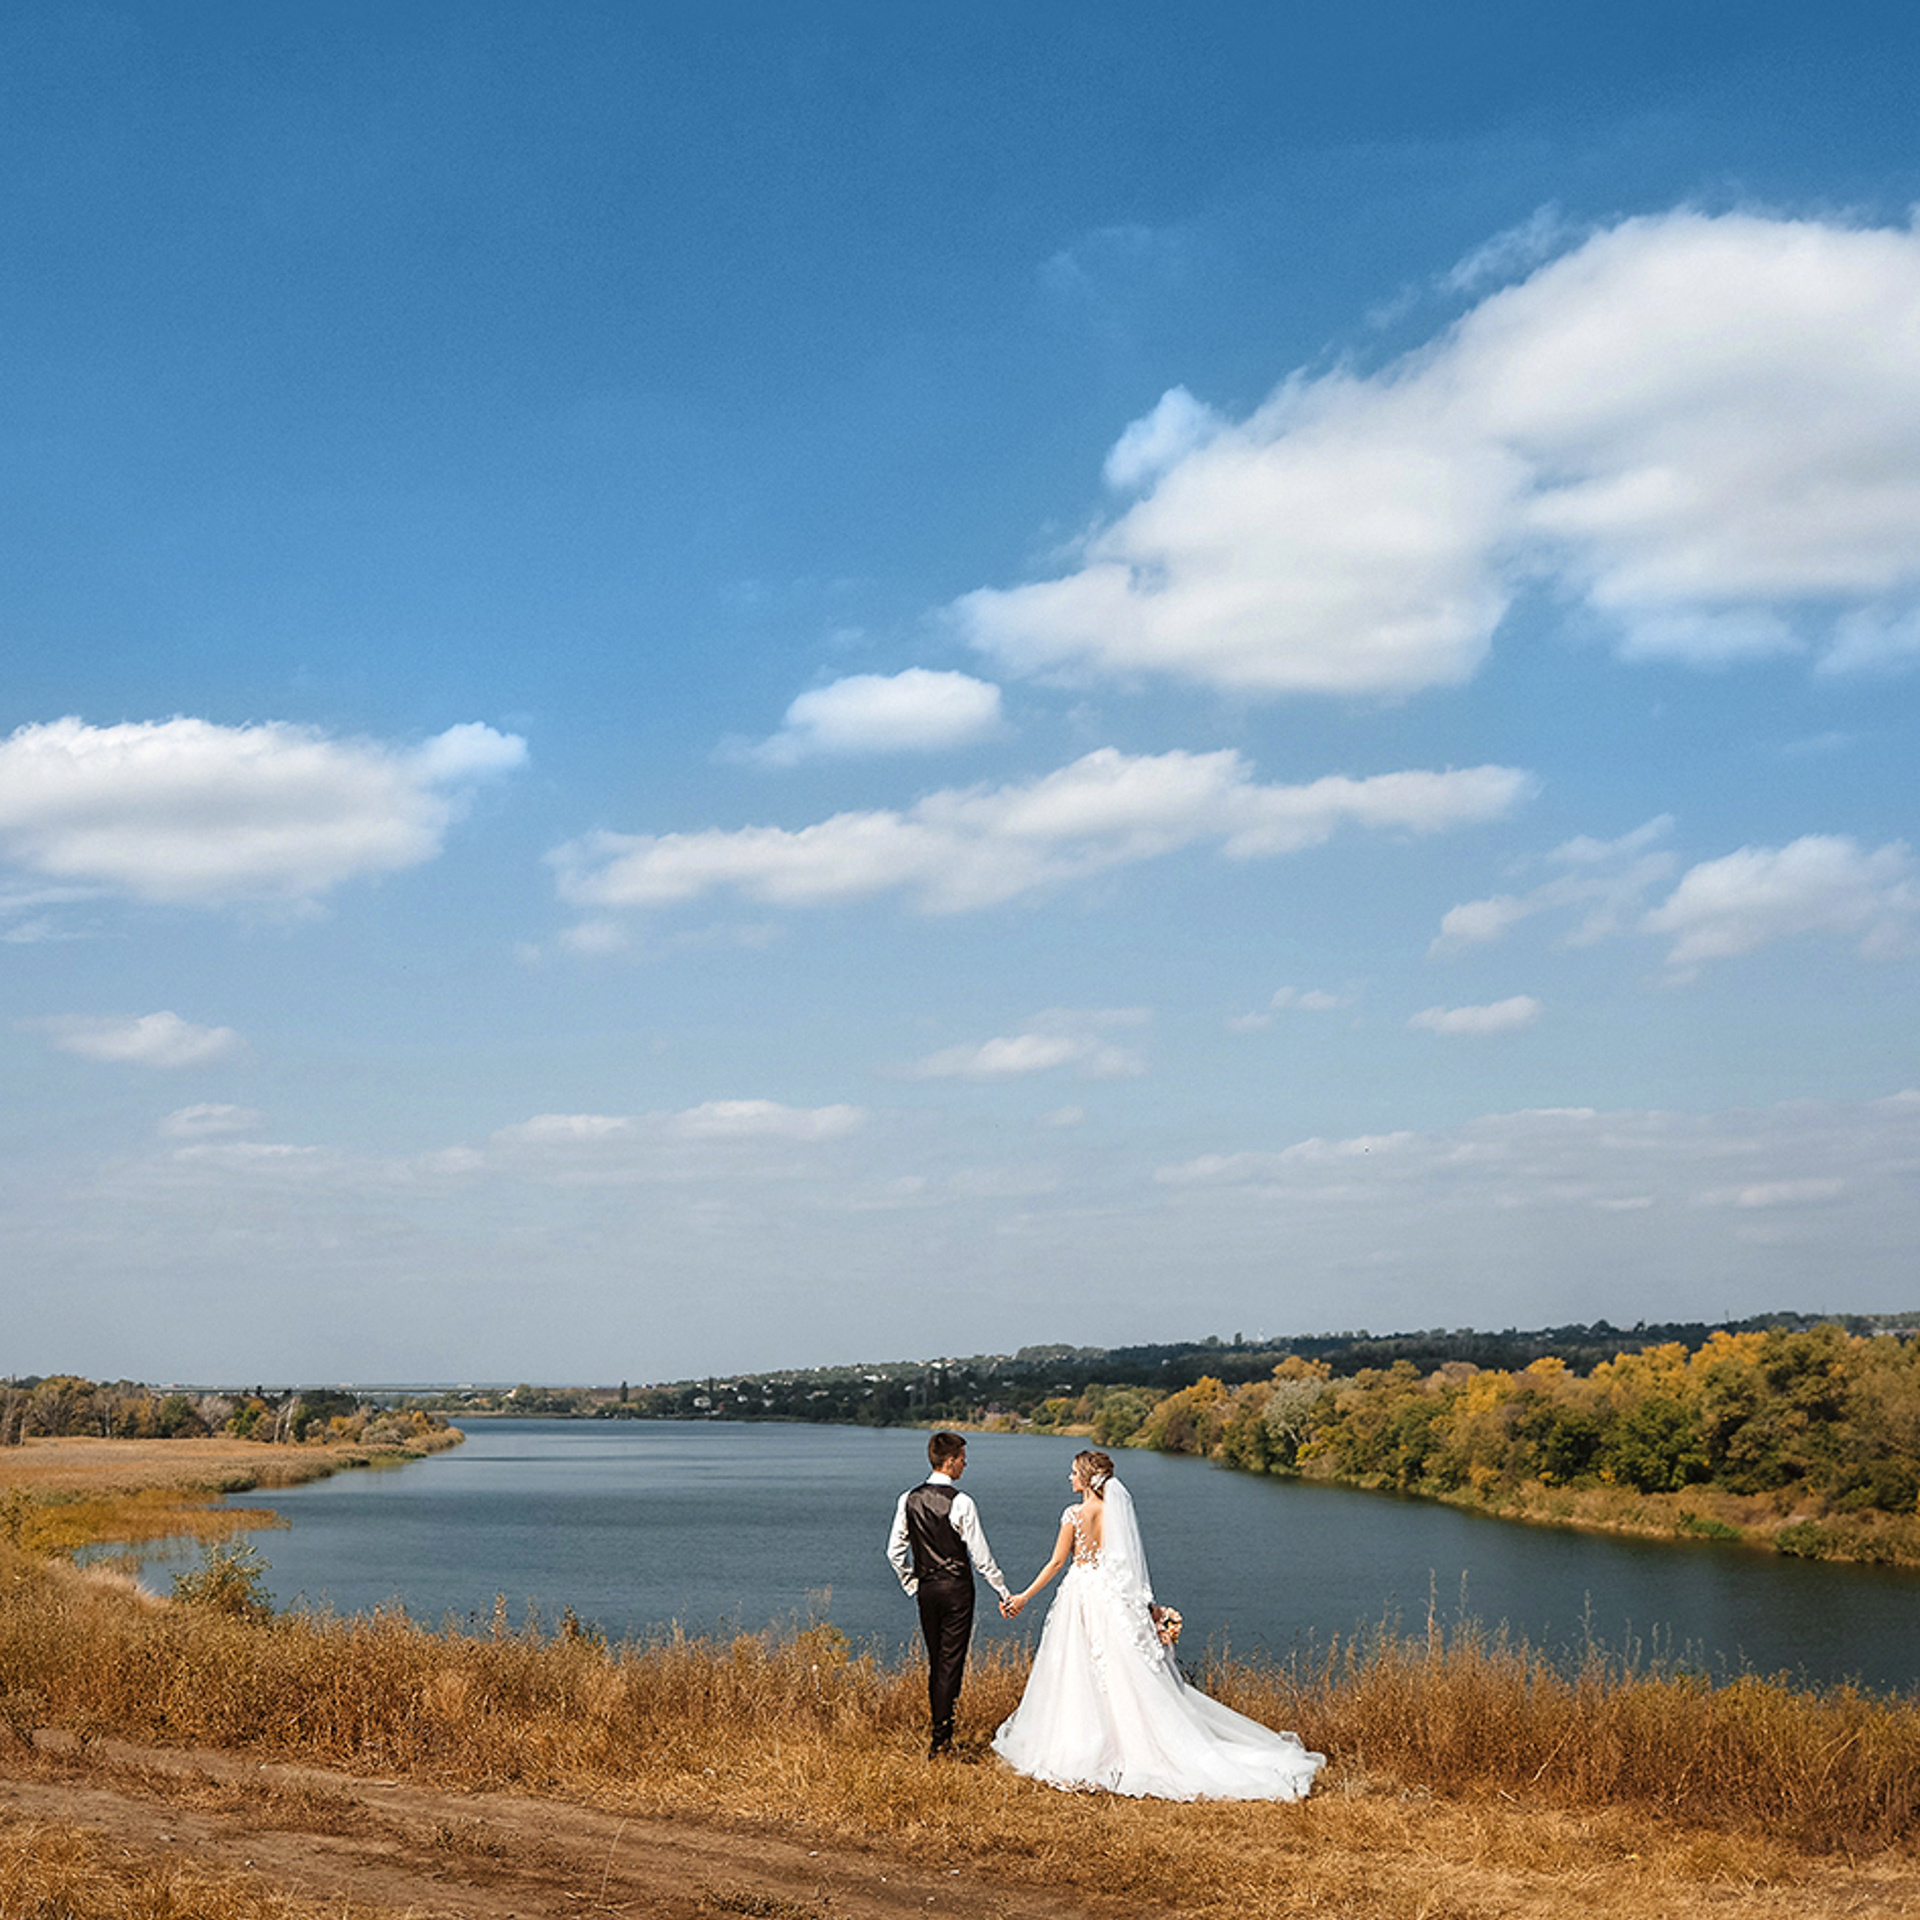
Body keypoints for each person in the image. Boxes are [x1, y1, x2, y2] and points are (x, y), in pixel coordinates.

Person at [993, 1450, 1324, 1801]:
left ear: (1088, 1477)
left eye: (1074, 1472)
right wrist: (1145, 1609)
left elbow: (1057, 1562)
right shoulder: (1115, 1512)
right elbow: (1126, 1567)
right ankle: (1127, 1741)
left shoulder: (1074, 1514)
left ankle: (1089, 1746)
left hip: (1083, 1596)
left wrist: (1023, 1597)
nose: (1069, 1477)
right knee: (1120, 1670)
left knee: (1081, 1668)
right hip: (1111, 1598)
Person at [886, 1430, 1012, 1757]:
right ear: (950, 1460)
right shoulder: (962, 1502)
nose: (965, 1464)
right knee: (950, 1663)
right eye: (963, 1459)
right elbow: (981, 1557)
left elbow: (894, 1552)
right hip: (957, 1590)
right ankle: (941, 1741)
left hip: (927, 1589)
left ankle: (939, 1734)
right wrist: (1002, 1591)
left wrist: (912, 1583)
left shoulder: (907, 1498)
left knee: (936, 1661)